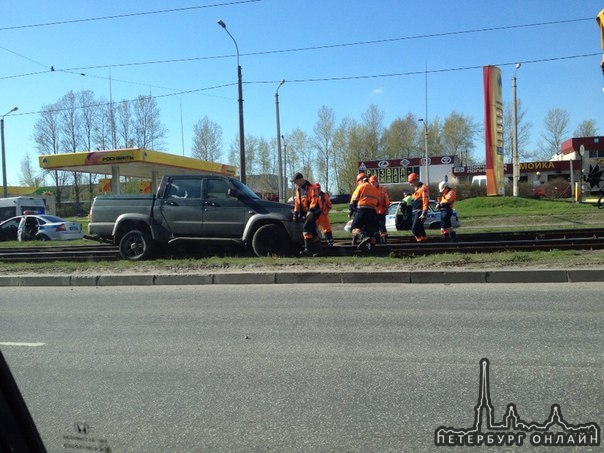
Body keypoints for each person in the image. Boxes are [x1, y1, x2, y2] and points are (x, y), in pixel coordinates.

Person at [292, 172, 322, 256]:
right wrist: (295, 213)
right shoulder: (299, 189)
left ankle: (308, 250)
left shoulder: (311, 187)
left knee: (306, 229)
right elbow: (297, 202)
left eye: (296, 181)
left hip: (315, 211)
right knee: (312, 230)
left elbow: (314, 200)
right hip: (307, 212)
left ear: (301, 179)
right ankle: (318, 250)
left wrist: (311, 210)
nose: (295, 183)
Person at [348, 173, 379, 249]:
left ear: (360, 180)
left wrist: (352, 211)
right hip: (373, 212)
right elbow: (377, 203)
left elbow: (354, 201)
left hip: (362, 210)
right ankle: (372, 249)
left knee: (353, 228)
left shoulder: (360, 187)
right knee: (370, 232)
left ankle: (363, 237)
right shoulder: (375, 189)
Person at [408, 172, 429, 242]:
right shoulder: (416, 189)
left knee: (415, 228)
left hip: (419, 212)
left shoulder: (423, 188)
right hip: (415, 211)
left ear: (415, 180)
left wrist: (424, 213)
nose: (410, 184)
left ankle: (420, 241)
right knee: (420, 229)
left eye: (411, 182)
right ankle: (424, 241)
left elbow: (425, 201)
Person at [369, 175, 390, 243]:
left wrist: (387, 208)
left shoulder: (382, 189)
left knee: (382, 227)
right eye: (371, 182)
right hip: (373, 212)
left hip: (381, 211)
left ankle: (384, 241)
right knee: (374, 228)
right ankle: (377, 241)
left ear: (377, 182)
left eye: (374, 182)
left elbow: (386, 199)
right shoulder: (369, 190)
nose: (372, 184)